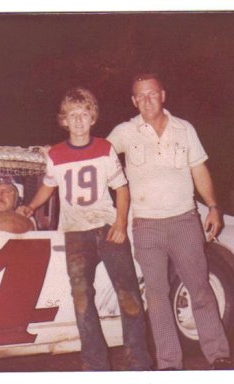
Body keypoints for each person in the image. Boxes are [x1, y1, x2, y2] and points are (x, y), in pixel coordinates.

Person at [18, 87, 153, 371]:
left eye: (84, 114)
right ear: (63, 120)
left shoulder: (104, 148)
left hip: (107, 228)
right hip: (76, 233)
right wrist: (30, 207)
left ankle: (139, 363)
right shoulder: (55, 154)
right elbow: (48, 186)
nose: (78, 120)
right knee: (81, 299)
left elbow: (122, 189)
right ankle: (95, 365)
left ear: (93, 118)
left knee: (128, 295)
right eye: (72, 115)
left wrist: (120, 223)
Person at [107, 73, 233, 370]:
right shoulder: (125, 132)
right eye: (141, 96)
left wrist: (213, 207)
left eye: (152, 94)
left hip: (185, 222)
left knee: (199, 288)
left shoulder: (184, 129)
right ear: (133, 101)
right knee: (157, 296)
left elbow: (199, 170)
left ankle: (218, 354)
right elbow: (96, 155)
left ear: (163, 95)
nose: (147, 100)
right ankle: (169, 365)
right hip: (147, 226)